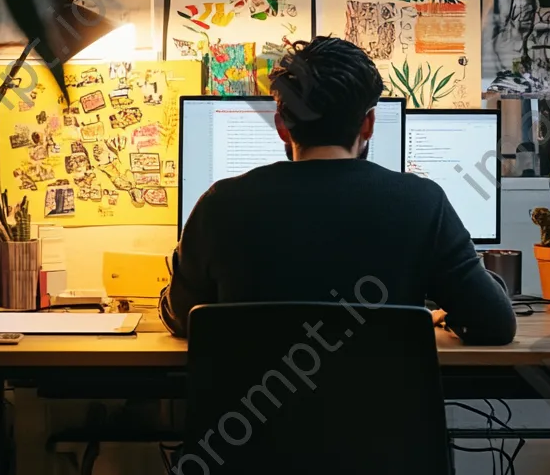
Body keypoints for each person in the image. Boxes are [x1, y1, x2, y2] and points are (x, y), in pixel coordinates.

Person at [161, 36, 516, 345]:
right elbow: (495, 324)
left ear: (282, 126)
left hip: (254, 419)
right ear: (369, 123)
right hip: (382, 422)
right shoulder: (423, 204)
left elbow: (181, 319)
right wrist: (439, 310)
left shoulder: (219, 204)